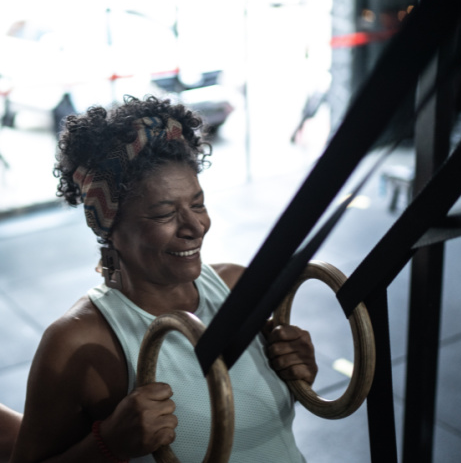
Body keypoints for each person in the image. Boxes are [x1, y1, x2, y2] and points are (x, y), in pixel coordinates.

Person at [10, 95, 317, 462]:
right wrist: (107, 443)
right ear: (110, 226)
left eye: (198, 204)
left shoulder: (237, 286)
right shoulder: (78, 342)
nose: (195, 227)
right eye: (163, 214)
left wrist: (298, 373)